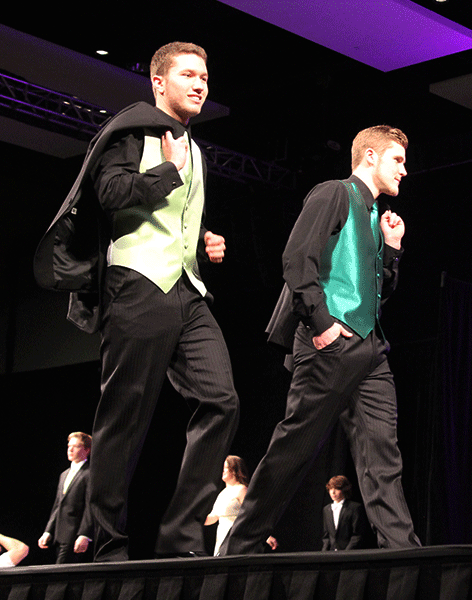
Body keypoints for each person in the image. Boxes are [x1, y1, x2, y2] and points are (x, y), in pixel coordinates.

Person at [33, 41, 239, 561]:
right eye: (188, 74)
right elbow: (109, 194)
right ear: (158, 83)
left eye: (205, 77)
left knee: (221, 401)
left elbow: (176, 221)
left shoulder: (194, 148)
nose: (199, 84)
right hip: (138, 286)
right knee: (124, 418)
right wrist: (164, 172)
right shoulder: (134, 130)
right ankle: (108, 544)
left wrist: (204, 242)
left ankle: (181, 535)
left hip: (188, 290)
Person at [220, 125, 420, 554]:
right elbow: (296, 258)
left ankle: (403, 553)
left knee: (382, 456)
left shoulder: (375, 218)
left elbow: (377, 292)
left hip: (370, 350)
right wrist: (322, 323)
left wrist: (393, 249)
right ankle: (238, 548)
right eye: (397, 159)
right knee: (294, 448)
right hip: (330, 342)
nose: (405, 170)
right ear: (369, 156)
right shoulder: (334, 193)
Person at [38, 432, 93, 563]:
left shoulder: (90, 474)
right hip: (58, 535)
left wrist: (84, 535)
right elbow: (58, 506)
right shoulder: (64, 474)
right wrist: (48, 531)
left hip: (74, 535)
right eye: (69, 446)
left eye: (75, 446)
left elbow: (90, 506)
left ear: (86, 449)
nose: (70, 449)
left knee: (61, 576)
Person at [205, 456, 248, 556]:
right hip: (221, 539)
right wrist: (195, 522)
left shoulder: (242, 490)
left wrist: (266, 537)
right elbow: (214, 517)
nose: (222, 471)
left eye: (225, 468)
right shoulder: (222, 494)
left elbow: (251, 515)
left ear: (233, 470)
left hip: (235, 540)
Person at [322, 475, 367, 551]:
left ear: (344, 489)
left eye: (336, 489)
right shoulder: (326, 509)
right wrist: (323, 554)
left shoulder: (354, 507)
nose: (333, 492)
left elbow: (357, 535)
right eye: (330, 489)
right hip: (331, 554)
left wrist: (346, 553)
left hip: (349, 554)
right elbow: (326, 536)